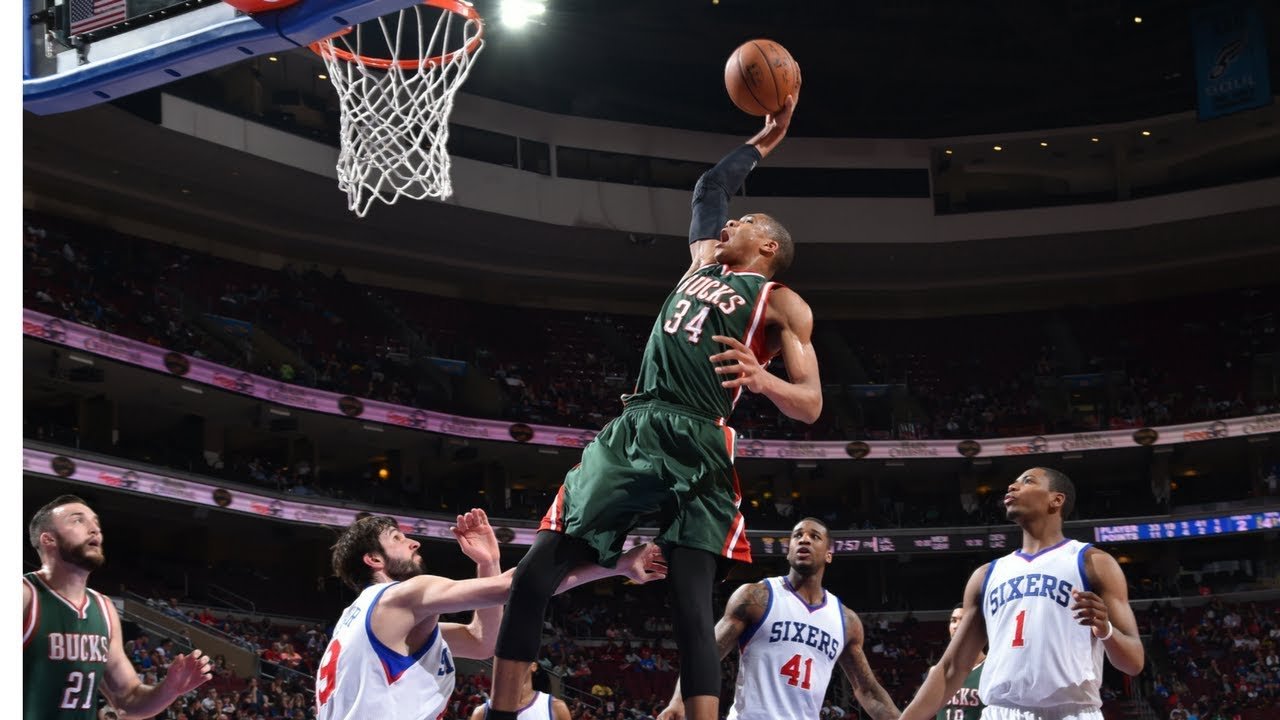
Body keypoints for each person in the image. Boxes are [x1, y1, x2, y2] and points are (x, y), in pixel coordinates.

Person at [489, 90, 820, 720]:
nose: (730, 223)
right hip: (635, 427)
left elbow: (810, 405)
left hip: (700, 440)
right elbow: (709, 188)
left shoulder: (781, 302)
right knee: (533, 575)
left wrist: (763, 380)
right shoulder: (700, 261)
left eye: (746, 222)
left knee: (691, 604)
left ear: (769, 247)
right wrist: (767, 137)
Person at [316, 509, 665, 720]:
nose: (414, 542)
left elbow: (482, 641)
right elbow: (521, 586)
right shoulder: (403, 596)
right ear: (374, 560)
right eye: (397, 538)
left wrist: (488, 563)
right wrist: (617, 565)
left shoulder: (362, 620)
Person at [901, 467, 1145, 720]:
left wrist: (1105, 630)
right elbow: (952, 668)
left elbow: (1134, 662)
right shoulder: (985, 575)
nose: (1011, 486)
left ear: (1056, 499)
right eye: (1013, 482)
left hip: (1072, 712)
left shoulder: (1092, 562)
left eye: (1027, 481)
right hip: (1001, 712)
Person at [657, 517, 898, 720]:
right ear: (788, 550)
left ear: (828, 555)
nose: (804, 540)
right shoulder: (755, 597)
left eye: (814, 536)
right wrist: (678, 701)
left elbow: (868, 691)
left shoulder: (846, 621)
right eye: (797, 535)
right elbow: (704, 654)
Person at [24, 495, 213, 719]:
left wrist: (169, 689)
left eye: (95, 522)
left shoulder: (104, 608)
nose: (95, 529)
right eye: (78, 520)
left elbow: (128, 701)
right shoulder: (25, 595)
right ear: (48, 539)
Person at [471, 663, 571, 720]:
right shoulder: (481, 713)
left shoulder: (557, 708)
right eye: (507, 657)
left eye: (520, 657)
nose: (513, 663)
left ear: (534, 665)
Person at [937, 604, 985, 720]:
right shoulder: (938, 671)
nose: (956, 626)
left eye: (963, 620)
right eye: (953, 621)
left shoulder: (992, 669)